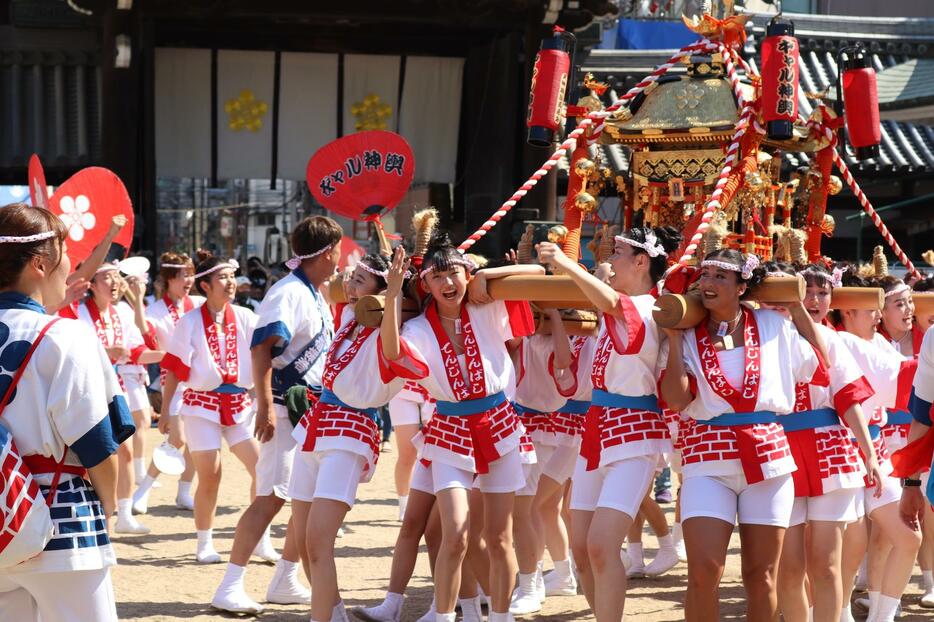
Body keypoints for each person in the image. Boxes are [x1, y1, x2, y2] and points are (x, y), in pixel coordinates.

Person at [660, 248, 831, 622]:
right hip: (707, 455)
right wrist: (673, 339)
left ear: (742, 287)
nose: (708, 283)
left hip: (767, 456)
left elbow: (819, 366)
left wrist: (797, 307)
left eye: (720, 277)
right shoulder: (687, 331)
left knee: (761, 575)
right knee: (704, 571)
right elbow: (675, 399)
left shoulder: (773, 323)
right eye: (704, 275)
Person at [381, 233, 542, 622]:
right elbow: (391, 352)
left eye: (454, 272)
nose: (448, 283)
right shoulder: (418, 328)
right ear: (425, 286)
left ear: (467, 274)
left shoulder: (487, 308)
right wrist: (390, 295)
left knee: (500, 537)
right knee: (454, 533)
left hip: (500, 425)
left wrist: (490, 275)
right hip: (450, 428)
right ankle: (444, 615)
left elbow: (536, 270)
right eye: (437, 277)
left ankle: (500, 617)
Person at [537, 226, 680, 622]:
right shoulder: (618, 307)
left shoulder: (651, 307)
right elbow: (608, 302)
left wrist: (566, 264)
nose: (609, 260)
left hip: (635, 433)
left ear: (640, 262)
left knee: (601, 546)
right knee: (580, 549)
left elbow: (613, 303)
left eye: (617, 253)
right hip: (596, 431)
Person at [0, 203, 134, 621]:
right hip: (63, 519)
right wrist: (109, 507)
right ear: (40, 263)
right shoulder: (66, 335)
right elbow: (96, 443)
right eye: (66, 256)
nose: (72, 268)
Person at [211, 216, 341, 614]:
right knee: (269, 498)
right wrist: (266, 407)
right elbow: (262, 349)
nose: (340, 258)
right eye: (336, 250)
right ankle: (229, 584)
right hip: (284, 410)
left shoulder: (313, 291)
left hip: (307, 410)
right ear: (324, 254)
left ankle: (285, 577)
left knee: (302, 499)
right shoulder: (289, 293)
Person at [290, 250, 410, 622]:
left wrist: (392, 293)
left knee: (318, 541)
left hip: (349, 430)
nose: (350, 283)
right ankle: (334, 613)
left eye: (360, 279)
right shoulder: (347, 317)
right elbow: (334, 288)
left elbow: (391, 348)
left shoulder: (395, 331)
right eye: (351, 276)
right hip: (316, 424)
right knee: (304, 540)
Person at [773, 264, 882, 622]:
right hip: (779, 451)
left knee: (826, 565)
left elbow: (849, 399)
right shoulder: (768, 333)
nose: (816, 300)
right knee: (788, 569)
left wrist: (870, 454)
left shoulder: (833, 339)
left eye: (823, 293)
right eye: (808, 291)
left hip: (829, 452)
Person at [160, 251, 261, 564]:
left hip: (239, 404)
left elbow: (263, 355)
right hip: (202, 405)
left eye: (232, 277)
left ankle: (260, 538)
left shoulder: (246, 316)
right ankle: (204, 542)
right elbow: (176, 368)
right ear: (205, 286)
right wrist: (165, 411)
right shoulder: (189, 321)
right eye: (222, 278)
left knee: (261, 468)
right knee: (211, 475)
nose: (230, 283)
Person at [76, 261, 163, 535]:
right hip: (87, 387)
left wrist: (169, 357)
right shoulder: (79, 312)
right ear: (91, 284)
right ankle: (101, 514)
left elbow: (136, 350)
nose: (113, 282)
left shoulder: (123, 311)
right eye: (105, 277)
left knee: (124, 447)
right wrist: (104, 351)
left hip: (115, 386)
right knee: (95, 452)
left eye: (116, 276)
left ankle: (123, 513)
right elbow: (73, 349)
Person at [133, 252, 202, 513]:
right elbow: (147, 337)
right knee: (178, 438)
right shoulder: (156, 309)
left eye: (192, 274)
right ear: (170, 278)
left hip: (199, 379)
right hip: (172, 379)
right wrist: (138, 299)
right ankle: (143, 490)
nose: (189, 279)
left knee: (196, 440)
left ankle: (183, 493)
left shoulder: (197, 302)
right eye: (184, 274)